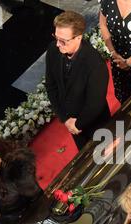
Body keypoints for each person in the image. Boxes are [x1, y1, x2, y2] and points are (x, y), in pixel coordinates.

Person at [45, 11, 111, 150]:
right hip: (72, 125)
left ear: (78, 38)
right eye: (56, 38)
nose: (58, 44)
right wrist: (65, 119)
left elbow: (95, 104)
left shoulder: (95, 64)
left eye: (63, 40)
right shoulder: (53, 50)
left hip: (96, 125)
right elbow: (51, 86)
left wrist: (77, 124)